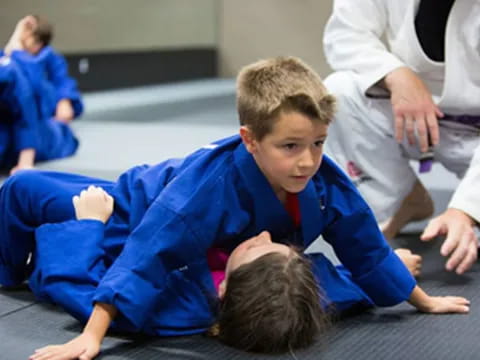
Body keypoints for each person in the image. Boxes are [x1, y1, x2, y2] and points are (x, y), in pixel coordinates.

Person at [0, 57, 468, 360]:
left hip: (216, 254)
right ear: (249, 140)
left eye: (319, 143)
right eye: (290, 146)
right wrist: (93, 336)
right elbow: (148, 255)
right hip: (134, 206)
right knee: (22, 188)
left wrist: (421, 300)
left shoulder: (320, 179)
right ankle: (4, 270)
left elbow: (363, 243)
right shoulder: (202, 192)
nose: (308, 160)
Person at [322, 0, 479, 274]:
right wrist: (395, 74)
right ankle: (398, 198)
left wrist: (466, 210)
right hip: (411, 116)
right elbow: (343, 33)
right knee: (340, 93)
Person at [0, 16, 79, 173]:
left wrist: (65, 100)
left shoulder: (46, 58)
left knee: (58, 136)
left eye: (30, 35)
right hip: (18, 121)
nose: (25, 38)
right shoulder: (10, 58)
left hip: (41, 116)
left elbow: (58, 81)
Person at [3, 15, 83, 122]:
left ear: (38, 44)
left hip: (39, 117)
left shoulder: (48, 58)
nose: (21, 39)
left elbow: (61, 81)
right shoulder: (12, 56)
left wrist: (64, 100)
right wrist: (15, 39)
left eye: (27, 35)